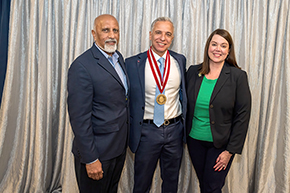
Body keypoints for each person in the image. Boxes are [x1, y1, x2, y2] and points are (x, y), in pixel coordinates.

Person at [67, 14, 129, 193]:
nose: (112, 35)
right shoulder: (82, 66)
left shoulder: (118, 58)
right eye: (105, 30)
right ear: (94, 34)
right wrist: (91, 159)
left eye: (115, 30)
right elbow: (79, 118)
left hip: (117, 149)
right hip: (97, 154)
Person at [125, 17, 187, 193]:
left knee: (171, 182)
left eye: (168, 34)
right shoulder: (132, 63)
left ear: (172, 38)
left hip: (174, 131)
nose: (163, 38)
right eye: (158, 32)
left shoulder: (180, 61)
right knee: (142, 183)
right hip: (146, 132)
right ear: (150, 35)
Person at [186, 29, 251, 193]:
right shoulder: (193, 72)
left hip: (221, 145)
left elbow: (242, 116)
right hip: (195, 142)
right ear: (208, 46)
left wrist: (230, 151)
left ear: (228, 50)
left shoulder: (237, 76)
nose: (217, 49)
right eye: (214, 44)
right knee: (204, 185)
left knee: (213, 187)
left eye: (223, 46)